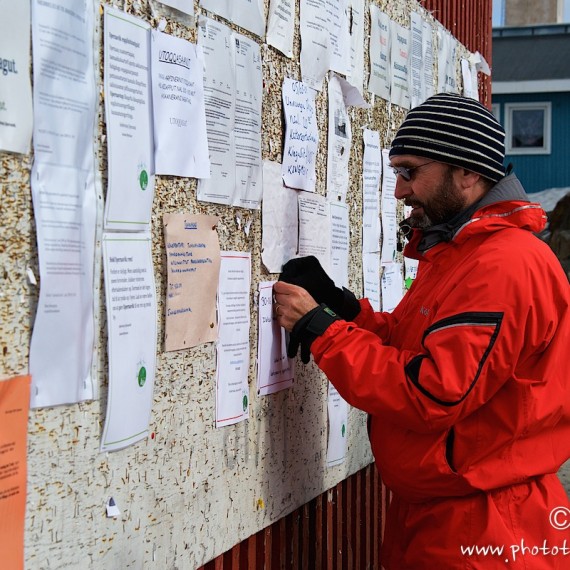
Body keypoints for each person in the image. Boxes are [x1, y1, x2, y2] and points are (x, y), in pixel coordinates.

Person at [273, 93, 570, 569]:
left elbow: (433, 391)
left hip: (484, 526)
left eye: (410, 172)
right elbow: (416, 346)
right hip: (445, 510)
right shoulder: (462, 251)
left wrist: (322, 331)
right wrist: (344, 309)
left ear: (468, 172)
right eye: (396, 173)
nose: (399, 191)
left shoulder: (503, 264)